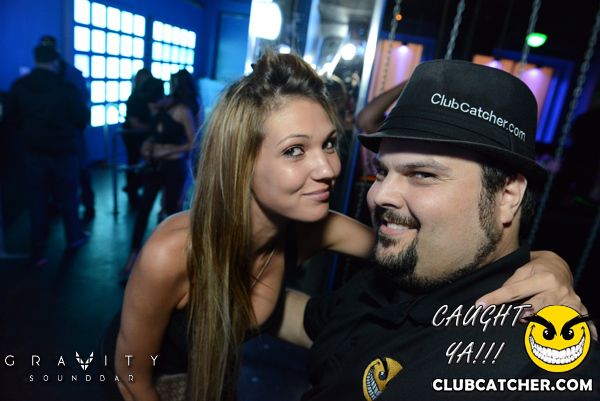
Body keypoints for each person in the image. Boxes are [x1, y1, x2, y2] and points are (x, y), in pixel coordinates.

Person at [99, 53, 584, 401]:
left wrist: (544, 260)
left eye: (329, 144)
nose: (329, 168)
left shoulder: (316, 230)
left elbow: (411, 242)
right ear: (240, 164)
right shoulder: (174, 251)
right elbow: (130, 377)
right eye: (295, 150)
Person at [276, 60, 600, 400]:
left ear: (507, 196)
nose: (379, 194)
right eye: (382, 172)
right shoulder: (393, 277)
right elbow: (306, 321)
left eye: (423, 174)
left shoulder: (543, 362)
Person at [7, 45, 90, 266]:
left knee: (37, 198)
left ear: (35, 60)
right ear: (55, 62)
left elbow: (11, 117)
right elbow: (82, 119)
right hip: (63, 150)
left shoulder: (19, 86)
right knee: (69, 196)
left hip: (33, 149)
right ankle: (73, 237)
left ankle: (38, 242)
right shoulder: (66, 87)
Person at [119, 73, 198, 276]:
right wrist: (149, 143)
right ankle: (132, 257)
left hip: (175, 166)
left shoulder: (181, 110)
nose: (151, 107)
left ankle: (176, 263)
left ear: (161, 95)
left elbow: (194, 143)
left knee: (172, 213)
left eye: (153, 103)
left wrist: (168, 150)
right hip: (155, 165)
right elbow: (157, 133)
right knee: (143, 210)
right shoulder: (156, 108)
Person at [39, 35, 95, 219]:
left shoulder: (72, 74)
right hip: (53, 134)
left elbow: (83, 103)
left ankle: (88, 203)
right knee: (58, 171)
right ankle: (60, 203)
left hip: (71, 133)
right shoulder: (42, 76)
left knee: (81, 168)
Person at [121, 68, 154, 206]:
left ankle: (133, 188)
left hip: (141, 136)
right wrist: (155, 128)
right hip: (134, 137)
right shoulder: (134, 98)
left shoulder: (145, 96)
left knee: (141, 163)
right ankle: (132, 189)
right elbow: (134, 123)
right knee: (134, 162)